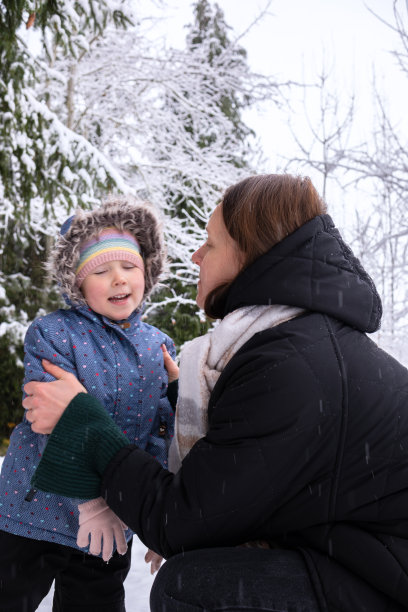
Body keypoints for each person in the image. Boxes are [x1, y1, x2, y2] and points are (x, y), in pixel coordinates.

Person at [21, 174, 408, 612]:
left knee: (193, 586)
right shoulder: (295, 342)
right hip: (368, 559)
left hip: (383, 579)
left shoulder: (293, 365)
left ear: (251, 256)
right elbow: (233, 475)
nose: (195, 254)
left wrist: (84, 421)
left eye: (211, 243)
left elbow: (184, 520)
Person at [0, 196, 178, 612]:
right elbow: (48, 420)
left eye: (129, 267)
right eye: (101, 270)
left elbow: (160, 433)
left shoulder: (159, 347)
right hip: (34, 515)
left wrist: (159, 520)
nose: (119, 279)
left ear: (146, 273)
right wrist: (89, 502)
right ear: (77, 282)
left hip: (112, 524)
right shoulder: (53, 334)